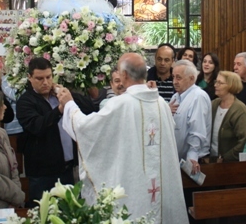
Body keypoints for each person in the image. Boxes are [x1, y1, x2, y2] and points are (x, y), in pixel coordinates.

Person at [59, 53, 189, 223]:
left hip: (134, 188)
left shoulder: (120, 104)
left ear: (125, 75)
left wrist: (69, 105)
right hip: (160, 188)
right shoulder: (161, 104)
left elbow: (86, 130)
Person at [16, 57, 95, 207]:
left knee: (71, 211)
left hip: (67, 168)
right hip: (42, 173)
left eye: (48, 77)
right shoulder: (25, 102)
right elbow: (38, 126)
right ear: (29, 78)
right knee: (44, 213)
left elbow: (90, 108)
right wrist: (59, 110)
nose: (45, 82)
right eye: (39, 78)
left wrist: (68, 95)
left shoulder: (58, 96)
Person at [170, 60, 212, 167]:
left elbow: (197, 131)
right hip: (177, 159)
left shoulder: (198, 97)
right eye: (173, 77)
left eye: (178, 78)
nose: (174, 82)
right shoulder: (175, 97)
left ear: (192, 78)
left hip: (194, 161)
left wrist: (192, 158)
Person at [210, 71, 246, 162]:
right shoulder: (214, 104)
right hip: (212, 160)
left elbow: (245, 139)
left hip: (230, 163)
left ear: (231, 86)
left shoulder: (240, 110)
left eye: (220, 83)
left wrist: (226, 158)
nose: (215, 85)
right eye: (216, 82)